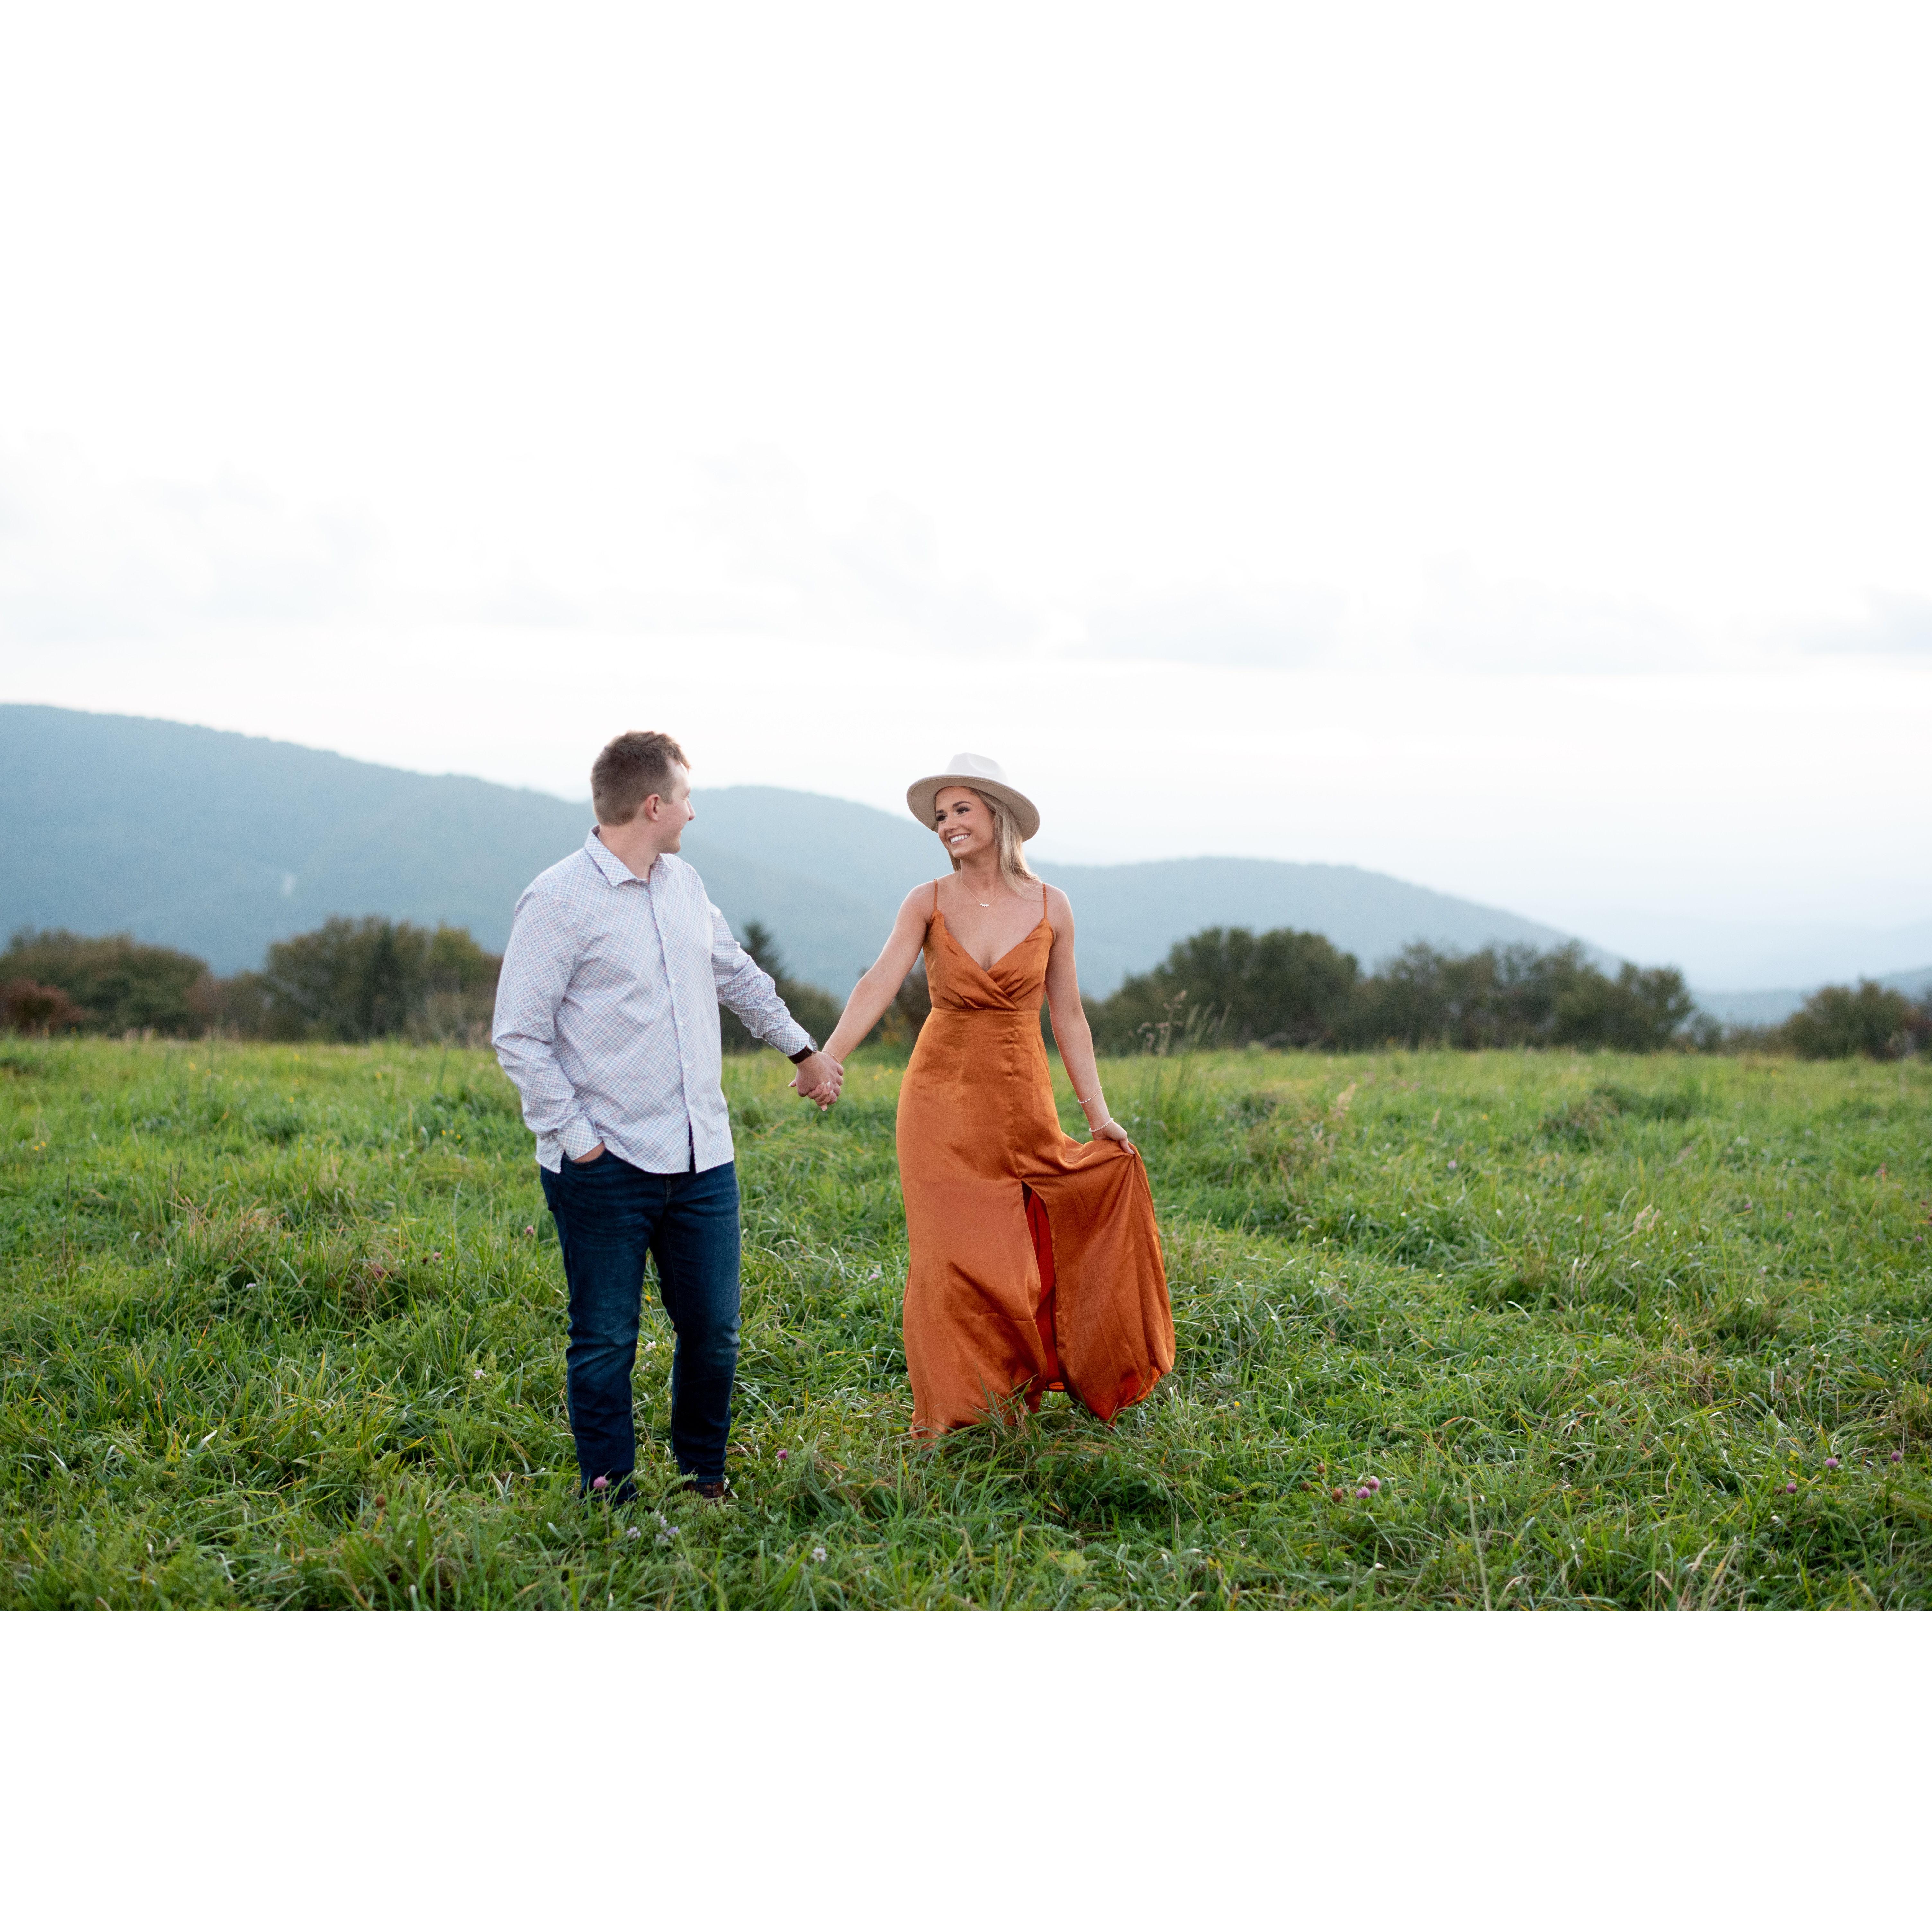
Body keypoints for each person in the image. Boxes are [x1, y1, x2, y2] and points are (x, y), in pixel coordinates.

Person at [491, 730, 840, 1502]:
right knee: (606, 1339)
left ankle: (702, 1481)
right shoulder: (557, 898)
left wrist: (803, 1051)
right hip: (604, 1165)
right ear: (654, 805)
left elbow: (738, 977)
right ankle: (609, 1494)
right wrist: (579, 1142)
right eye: (685, 796)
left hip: (702, 1156)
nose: (692, 810)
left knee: (713, 1334)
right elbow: (518, 1033)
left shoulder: (684, 885)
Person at [819, 752, 1174, 1435]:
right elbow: (878, 982)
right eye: (939, 815)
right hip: (936, 1101)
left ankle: (1009, 1393)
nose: (946, 824)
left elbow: (1067, 1014)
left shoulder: (1051, 905)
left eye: (959, 810)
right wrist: (829, 1057)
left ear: (995, 813)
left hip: (1019, 1101)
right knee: (946, 1261)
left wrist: (1097, 1114)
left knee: (1013, 1265)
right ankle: (953, 1415)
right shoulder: (925, 900)